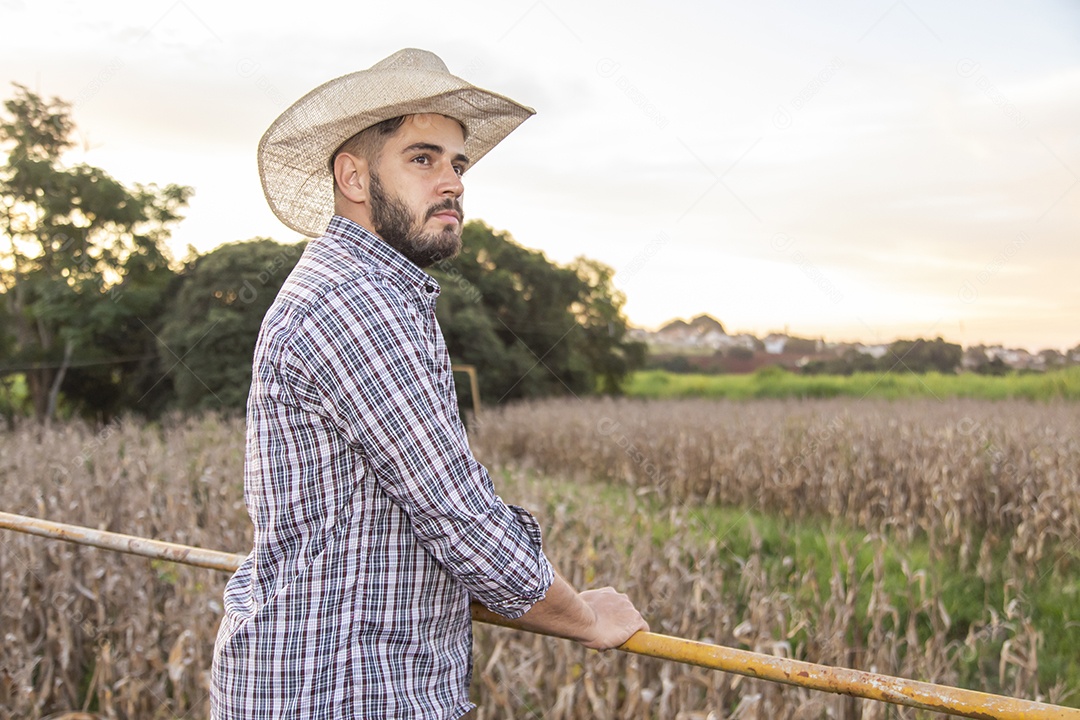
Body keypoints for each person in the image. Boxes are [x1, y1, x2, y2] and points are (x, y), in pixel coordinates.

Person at [210, 48, 648, 719]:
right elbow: (455, 509)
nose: (453, 183)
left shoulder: (374, 291)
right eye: (423, 158)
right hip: (338, 690)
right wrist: (582, 616)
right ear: (353, 177)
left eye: (458, 163)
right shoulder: (355, 302)